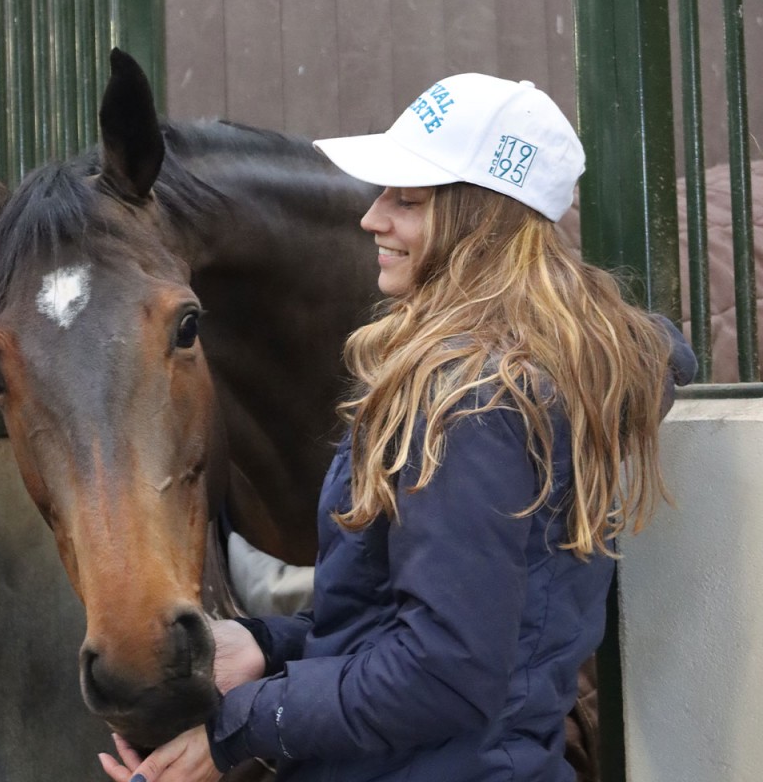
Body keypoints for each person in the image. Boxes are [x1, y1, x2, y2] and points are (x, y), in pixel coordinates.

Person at [98, 73, 697, 782]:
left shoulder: (473, 406)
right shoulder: (520, 377)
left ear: (484, 219)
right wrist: (267, 644)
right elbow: (441, 629)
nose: (371, 218)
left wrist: (242, 725)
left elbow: (445, 672)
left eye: (406, 200)